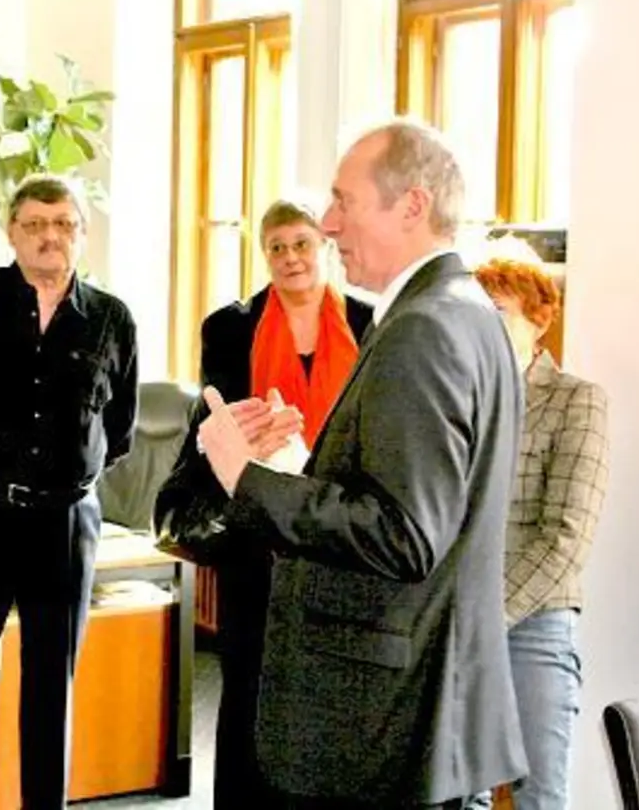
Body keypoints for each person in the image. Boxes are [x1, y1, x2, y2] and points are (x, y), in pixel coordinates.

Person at [196, 119, 526, 809]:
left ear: (412, 206)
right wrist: (295, 464)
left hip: (382, 717)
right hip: (421, 703)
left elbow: (403, 534)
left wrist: (246, 478)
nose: (328, 223)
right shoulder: (465, 312)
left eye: (344, 202)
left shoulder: (423, 328)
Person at [0, 175, 139, 810]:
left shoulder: (111, 318)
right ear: (10, 232)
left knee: (52, 683)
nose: (50, 236)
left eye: (64, 224)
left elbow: (118, 429)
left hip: (65, 522)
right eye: (35, 224)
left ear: (83, 234)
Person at [154, 197, 372, 808]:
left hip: (336, 527)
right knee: (248, 676)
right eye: (277, 247)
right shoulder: (231, 326)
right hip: (254, 522)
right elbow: (215, 417)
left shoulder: (369, 321)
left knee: (330, 683)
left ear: (323, 247)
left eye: (301, 243)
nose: (290, 257)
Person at [455, 246, 608, 810]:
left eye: (497, 311)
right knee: (458, 793)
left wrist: (487, 614)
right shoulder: (457, 401)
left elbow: (566, 538)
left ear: (539, 319)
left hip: (535, 622)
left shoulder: (577, 401)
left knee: (538, 795)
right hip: (456, 617)